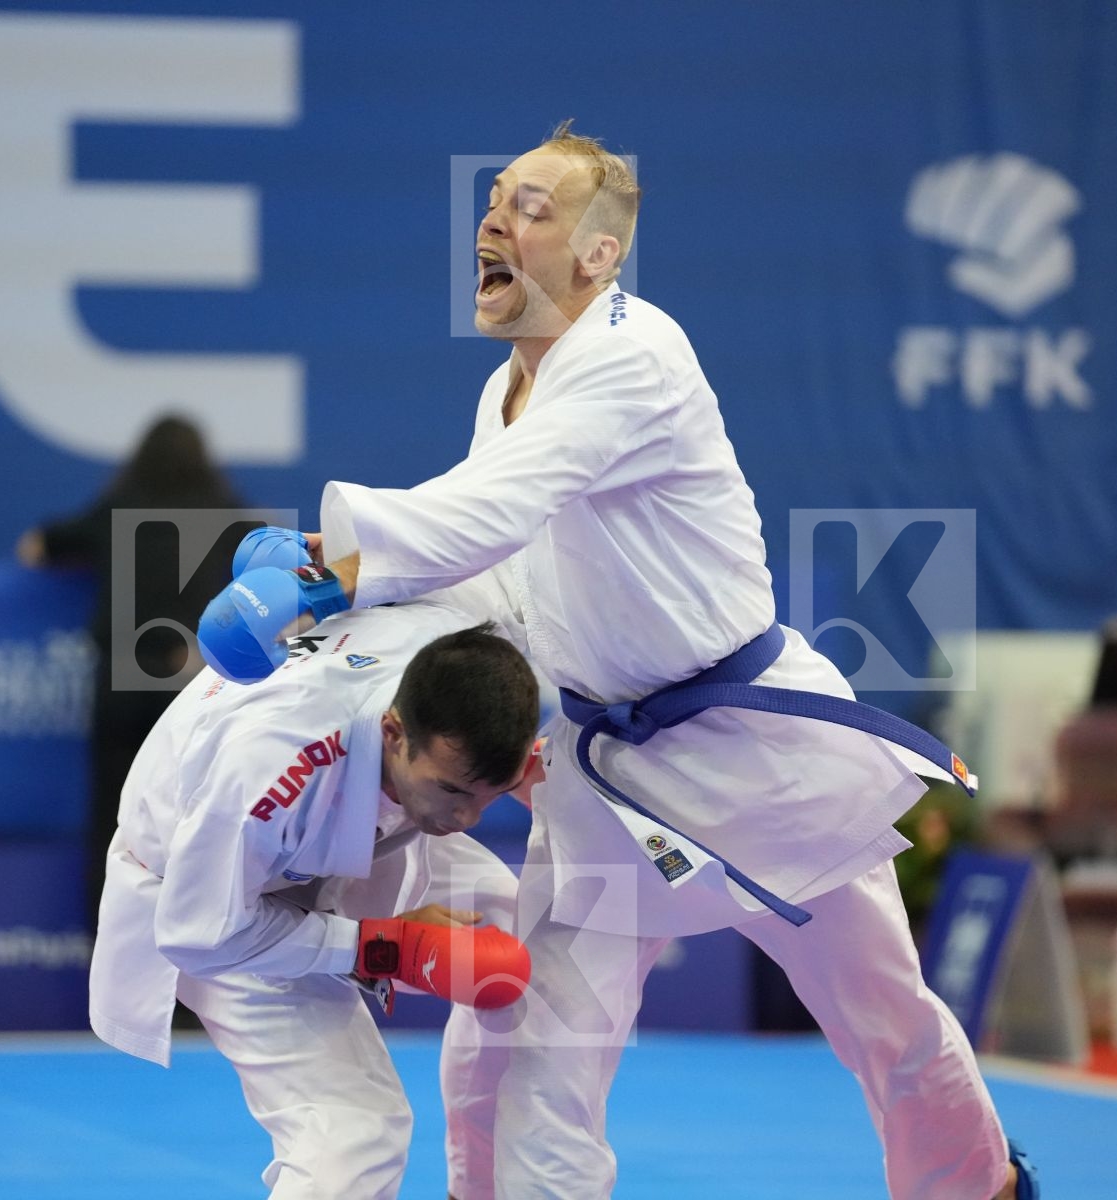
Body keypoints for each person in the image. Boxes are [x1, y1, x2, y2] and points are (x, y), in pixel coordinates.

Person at [203, 123, 1037, 1199]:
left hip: (754, 751)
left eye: (533, 207)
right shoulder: (505, 391)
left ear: (599, 255)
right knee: (528, 1060)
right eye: (495, 198)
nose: (494, 220)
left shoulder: (634, 353)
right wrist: (340, 601)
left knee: (888, 1023)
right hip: (613, 777)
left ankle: (980, 1190)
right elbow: (496, 569)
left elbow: (483, 511)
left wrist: (329, 567)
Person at [90, 548, 541, 1200]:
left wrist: (316, 568)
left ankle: (486, 1189)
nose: (468, 819)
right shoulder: (269, 770)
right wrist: (384, 946)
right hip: (216, 895)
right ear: (393, 731)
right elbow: (194, 933)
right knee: (354, 1132)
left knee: (540, 944)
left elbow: (416, 543)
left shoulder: (471, 634)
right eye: (452, 791)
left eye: (486, 795)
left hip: (356, 837)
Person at [17, 414, 254, 924]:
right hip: (194, 693)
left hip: (120, 687)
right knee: (196, 827)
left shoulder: (118, 508)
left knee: (116, 824)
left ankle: (109, 956)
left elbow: (37, 547)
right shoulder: (231, 516)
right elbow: (277, 570)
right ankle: (193, 964)